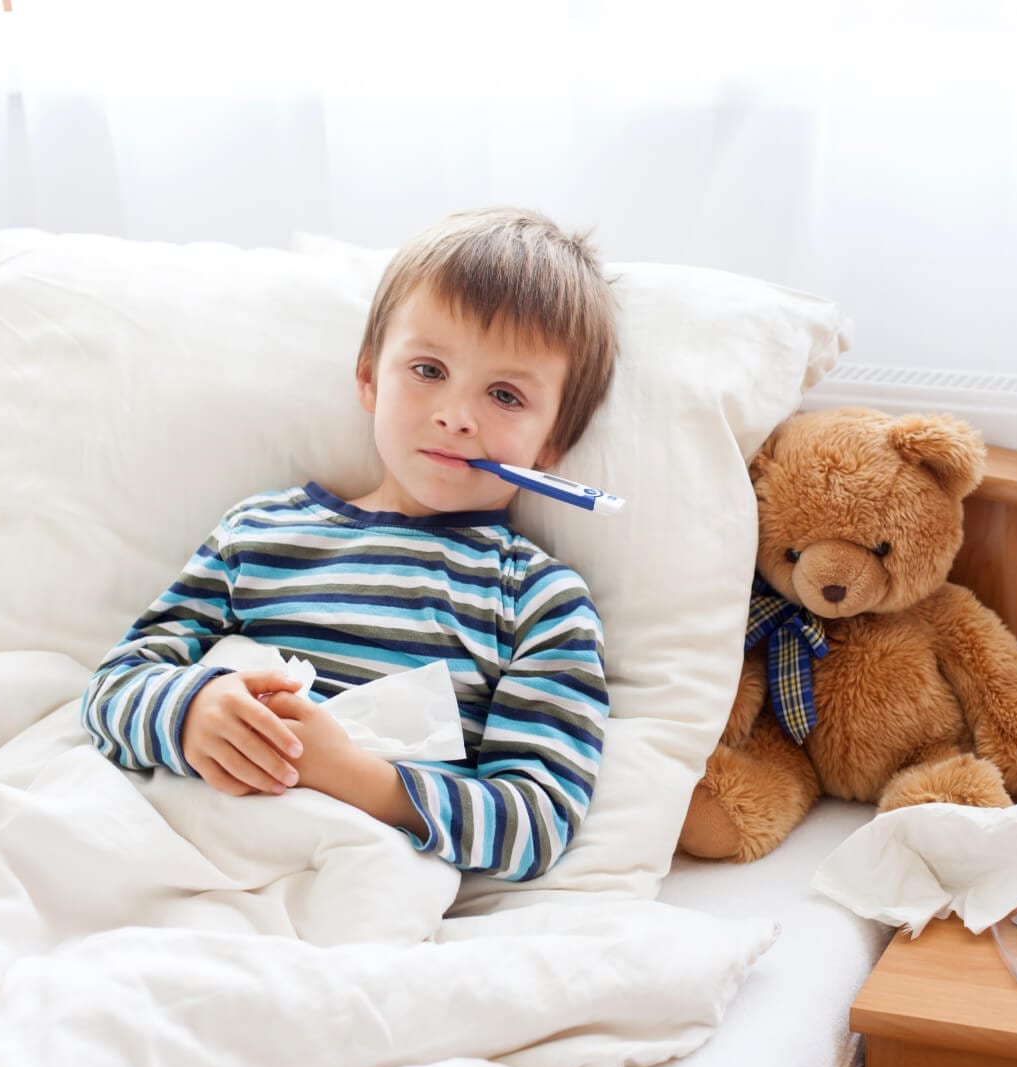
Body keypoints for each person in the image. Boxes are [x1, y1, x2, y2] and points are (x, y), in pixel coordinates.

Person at [80, 208, 616, 881]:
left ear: (554, 443)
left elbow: (534, 824)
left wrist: (352, 776)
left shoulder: (539, 602)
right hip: (174, 850)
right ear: (368, 378)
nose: (455, 416)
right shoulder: (257, 533)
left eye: (505, 395)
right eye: (428, 369)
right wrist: (190, 712)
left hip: (354, 883)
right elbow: (111, 689)